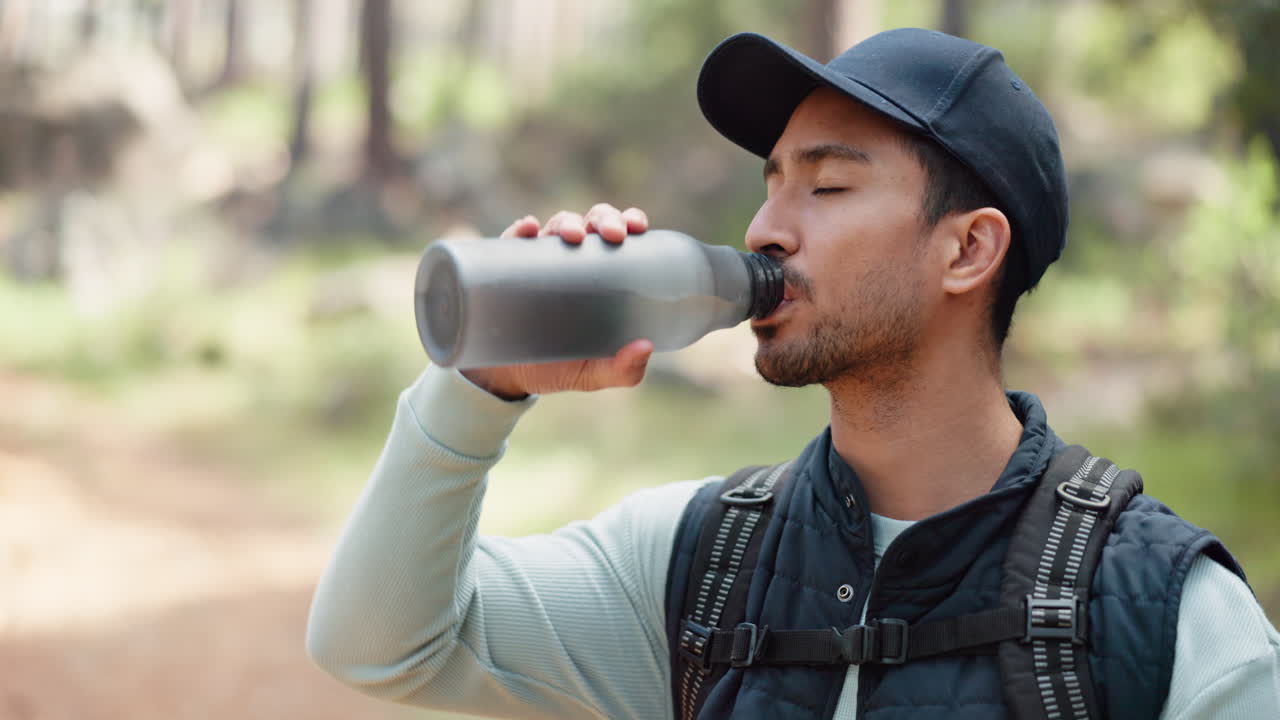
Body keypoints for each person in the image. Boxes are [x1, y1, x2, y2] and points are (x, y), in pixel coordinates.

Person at [305, 28, 1280, 720]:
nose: (765, 228)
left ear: (967, 251)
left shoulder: (1163, 614)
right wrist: (478, 387)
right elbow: (378, 642)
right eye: (771, 181)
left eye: (826, 183)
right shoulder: (695, 564)